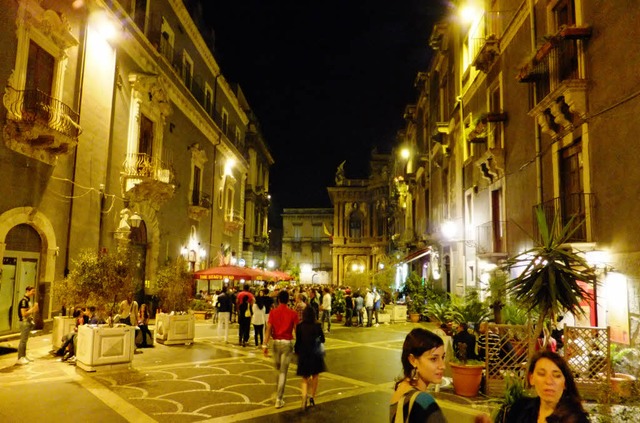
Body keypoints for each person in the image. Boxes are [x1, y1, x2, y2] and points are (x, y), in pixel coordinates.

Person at [498, 350, 589, 423]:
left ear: (565, 383)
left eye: (556, 376)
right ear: (531, 378)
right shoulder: (520, 408)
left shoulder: (576, 418)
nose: (549, 381)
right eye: (542, 374)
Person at [390, 328, 447, 422]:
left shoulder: (401, 389)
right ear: (413, 360)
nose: (442, 366)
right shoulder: (423, 401)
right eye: (433, 359)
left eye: (443, 357)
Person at [263, 289, 299, 409]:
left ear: (278, 300)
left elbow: (268, 329)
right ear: (288, 300)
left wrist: (264, 344)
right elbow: (296, 330)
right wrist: (299, 345)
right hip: (287, 343)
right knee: (283, 372)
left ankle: (278, 393)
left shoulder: (273, 312)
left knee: (278, 370)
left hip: (275, 343)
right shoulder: (293, 313)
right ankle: (279, 398)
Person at [295, 305, 326, 410]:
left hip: (303, 353)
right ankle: (312, 396)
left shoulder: (299, 326)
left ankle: (304, 397)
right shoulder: (317, 325)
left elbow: (298, 341)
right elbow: (323, 339)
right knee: (315, 375)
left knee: (304, 377)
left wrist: (297, 352)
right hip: (315, 353)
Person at [16, 286, 38, 365]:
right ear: (27, 291)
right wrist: (32, 309)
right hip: (24, 322)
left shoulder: (28, 300)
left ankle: (23, 356)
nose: (33, 293)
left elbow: (32, 311)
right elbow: (24, 314)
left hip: (27, 322)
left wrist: (35, 308)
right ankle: (20, 357)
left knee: (25, 340)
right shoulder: (24, 301)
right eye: (32, 291)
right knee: (23, 341)